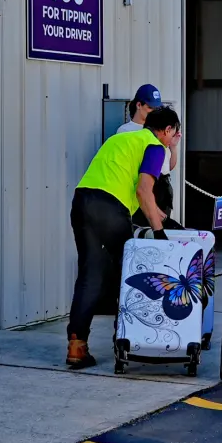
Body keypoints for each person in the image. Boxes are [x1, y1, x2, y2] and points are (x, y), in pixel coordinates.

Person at [66, 107, 182, 369]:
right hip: (110, 209)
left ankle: (77, 346)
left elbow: (123, 183)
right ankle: (128, 342)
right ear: (167, 131)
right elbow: (144, 190)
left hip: (83, 201)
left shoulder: (120, 139)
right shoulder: (155, 147)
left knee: (89, 274)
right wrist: (159, 233)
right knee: (128, 277)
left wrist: (154, 212)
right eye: (173, 132)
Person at [116, 84, 180, 228]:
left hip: (162, 184)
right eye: (150, 108)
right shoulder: (126, 131)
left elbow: (168, 166)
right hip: (143, 183)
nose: (153, 113)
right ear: (139, 105)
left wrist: (173, 147)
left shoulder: (162, 131)